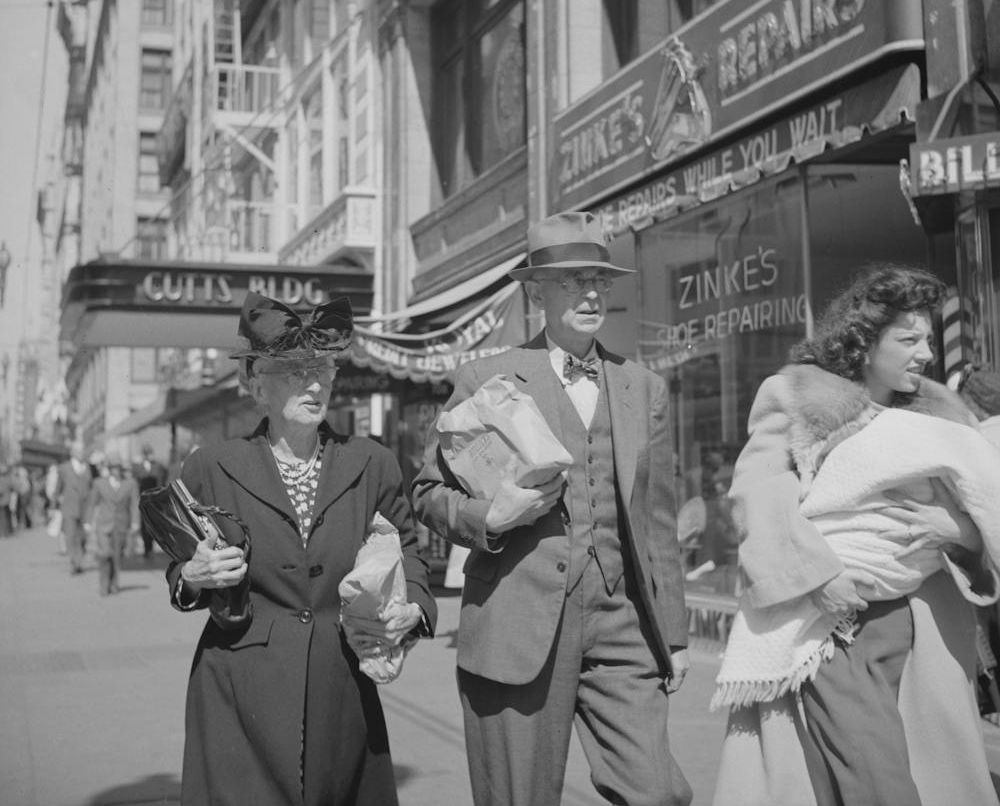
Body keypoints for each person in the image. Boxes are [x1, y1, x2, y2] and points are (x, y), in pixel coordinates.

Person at [412, 210, 692, 806]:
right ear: (536, 292)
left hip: (622, 622)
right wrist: (489, 516)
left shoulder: (642, 388)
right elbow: (427, 494)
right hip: (519, 623)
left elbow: (657, 521)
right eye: (570, 280)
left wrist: (676, 632)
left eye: (599, 279)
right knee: (519, 797)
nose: (590, 292)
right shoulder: (487, 378)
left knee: (658, 792)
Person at [711, 263, 1000, 806]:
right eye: (909, 339)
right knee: (873, 774)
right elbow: (758, 497)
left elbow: (984, 506)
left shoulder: (943, 414)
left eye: (928, 339)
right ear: (865, 341)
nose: (926, 353)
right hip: (837, 622)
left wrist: (958, 529)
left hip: (928, 624)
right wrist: (819, 576)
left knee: (925, 771)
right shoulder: (795, 397)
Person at [164, 292, 437, 806]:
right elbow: (179, 572)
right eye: (293, 371)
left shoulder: (372, 463)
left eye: (323, 369)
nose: (314, 384)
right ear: (254, 384)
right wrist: (194, 574)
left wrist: (415, 607)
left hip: (342, 694)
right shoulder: (210, 467)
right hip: (237, 693)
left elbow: (410, 549)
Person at [86, 451, 140, 596]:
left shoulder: (130, 484)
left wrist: (135, 522)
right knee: (105, 553)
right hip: (103, 525)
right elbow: (91, 503)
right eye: (114, 468)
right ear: (109, 469)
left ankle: (114, 584)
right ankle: (103, 585)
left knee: (117, 556)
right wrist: (88, 521)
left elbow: (135, 503)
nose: (117, 471)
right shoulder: (99, 483)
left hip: (121, 525)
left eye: (119, 468)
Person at [57, 439, 95, 574]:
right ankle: (75, 562)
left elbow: (92, 488)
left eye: (83, 450)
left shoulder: (89, 468)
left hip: (85, 508)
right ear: (72, 452)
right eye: (79, 450)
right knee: (70, 536)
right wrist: (53, 505)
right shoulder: (63, 468)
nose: (82, 453)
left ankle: (79, 557)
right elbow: (58, 488)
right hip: (69, 507)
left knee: (83, 537)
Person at [132, 442, 167, 557]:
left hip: (155, 500)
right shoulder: (138, 468)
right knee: (144, 524)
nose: (148, 455)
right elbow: (135, 483)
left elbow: (163, 480)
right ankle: (147, 548)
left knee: (154, 524)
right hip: (143, 500)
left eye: (149, 453)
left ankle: (151, 545)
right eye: (146, 453)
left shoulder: (158, 466)